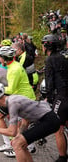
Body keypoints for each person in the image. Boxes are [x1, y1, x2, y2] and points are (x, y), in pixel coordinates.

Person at [0, 83, 60, 162]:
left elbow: (12, 132)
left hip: (49, 120)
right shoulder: (12, 99)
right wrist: (19, 135)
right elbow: (26, 120)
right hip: (48, 118)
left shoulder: (12, 104)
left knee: (17, 144)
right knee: (20, 143)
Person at [42, 34, 68, 162]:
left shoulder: (50, 60)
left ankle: (62, 158)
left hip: (61, 96)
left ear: (47, 46)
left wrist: (49, 97)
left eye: (43, 44)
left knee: (58, 128)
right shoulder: (63, 57)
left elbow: (49, 81)